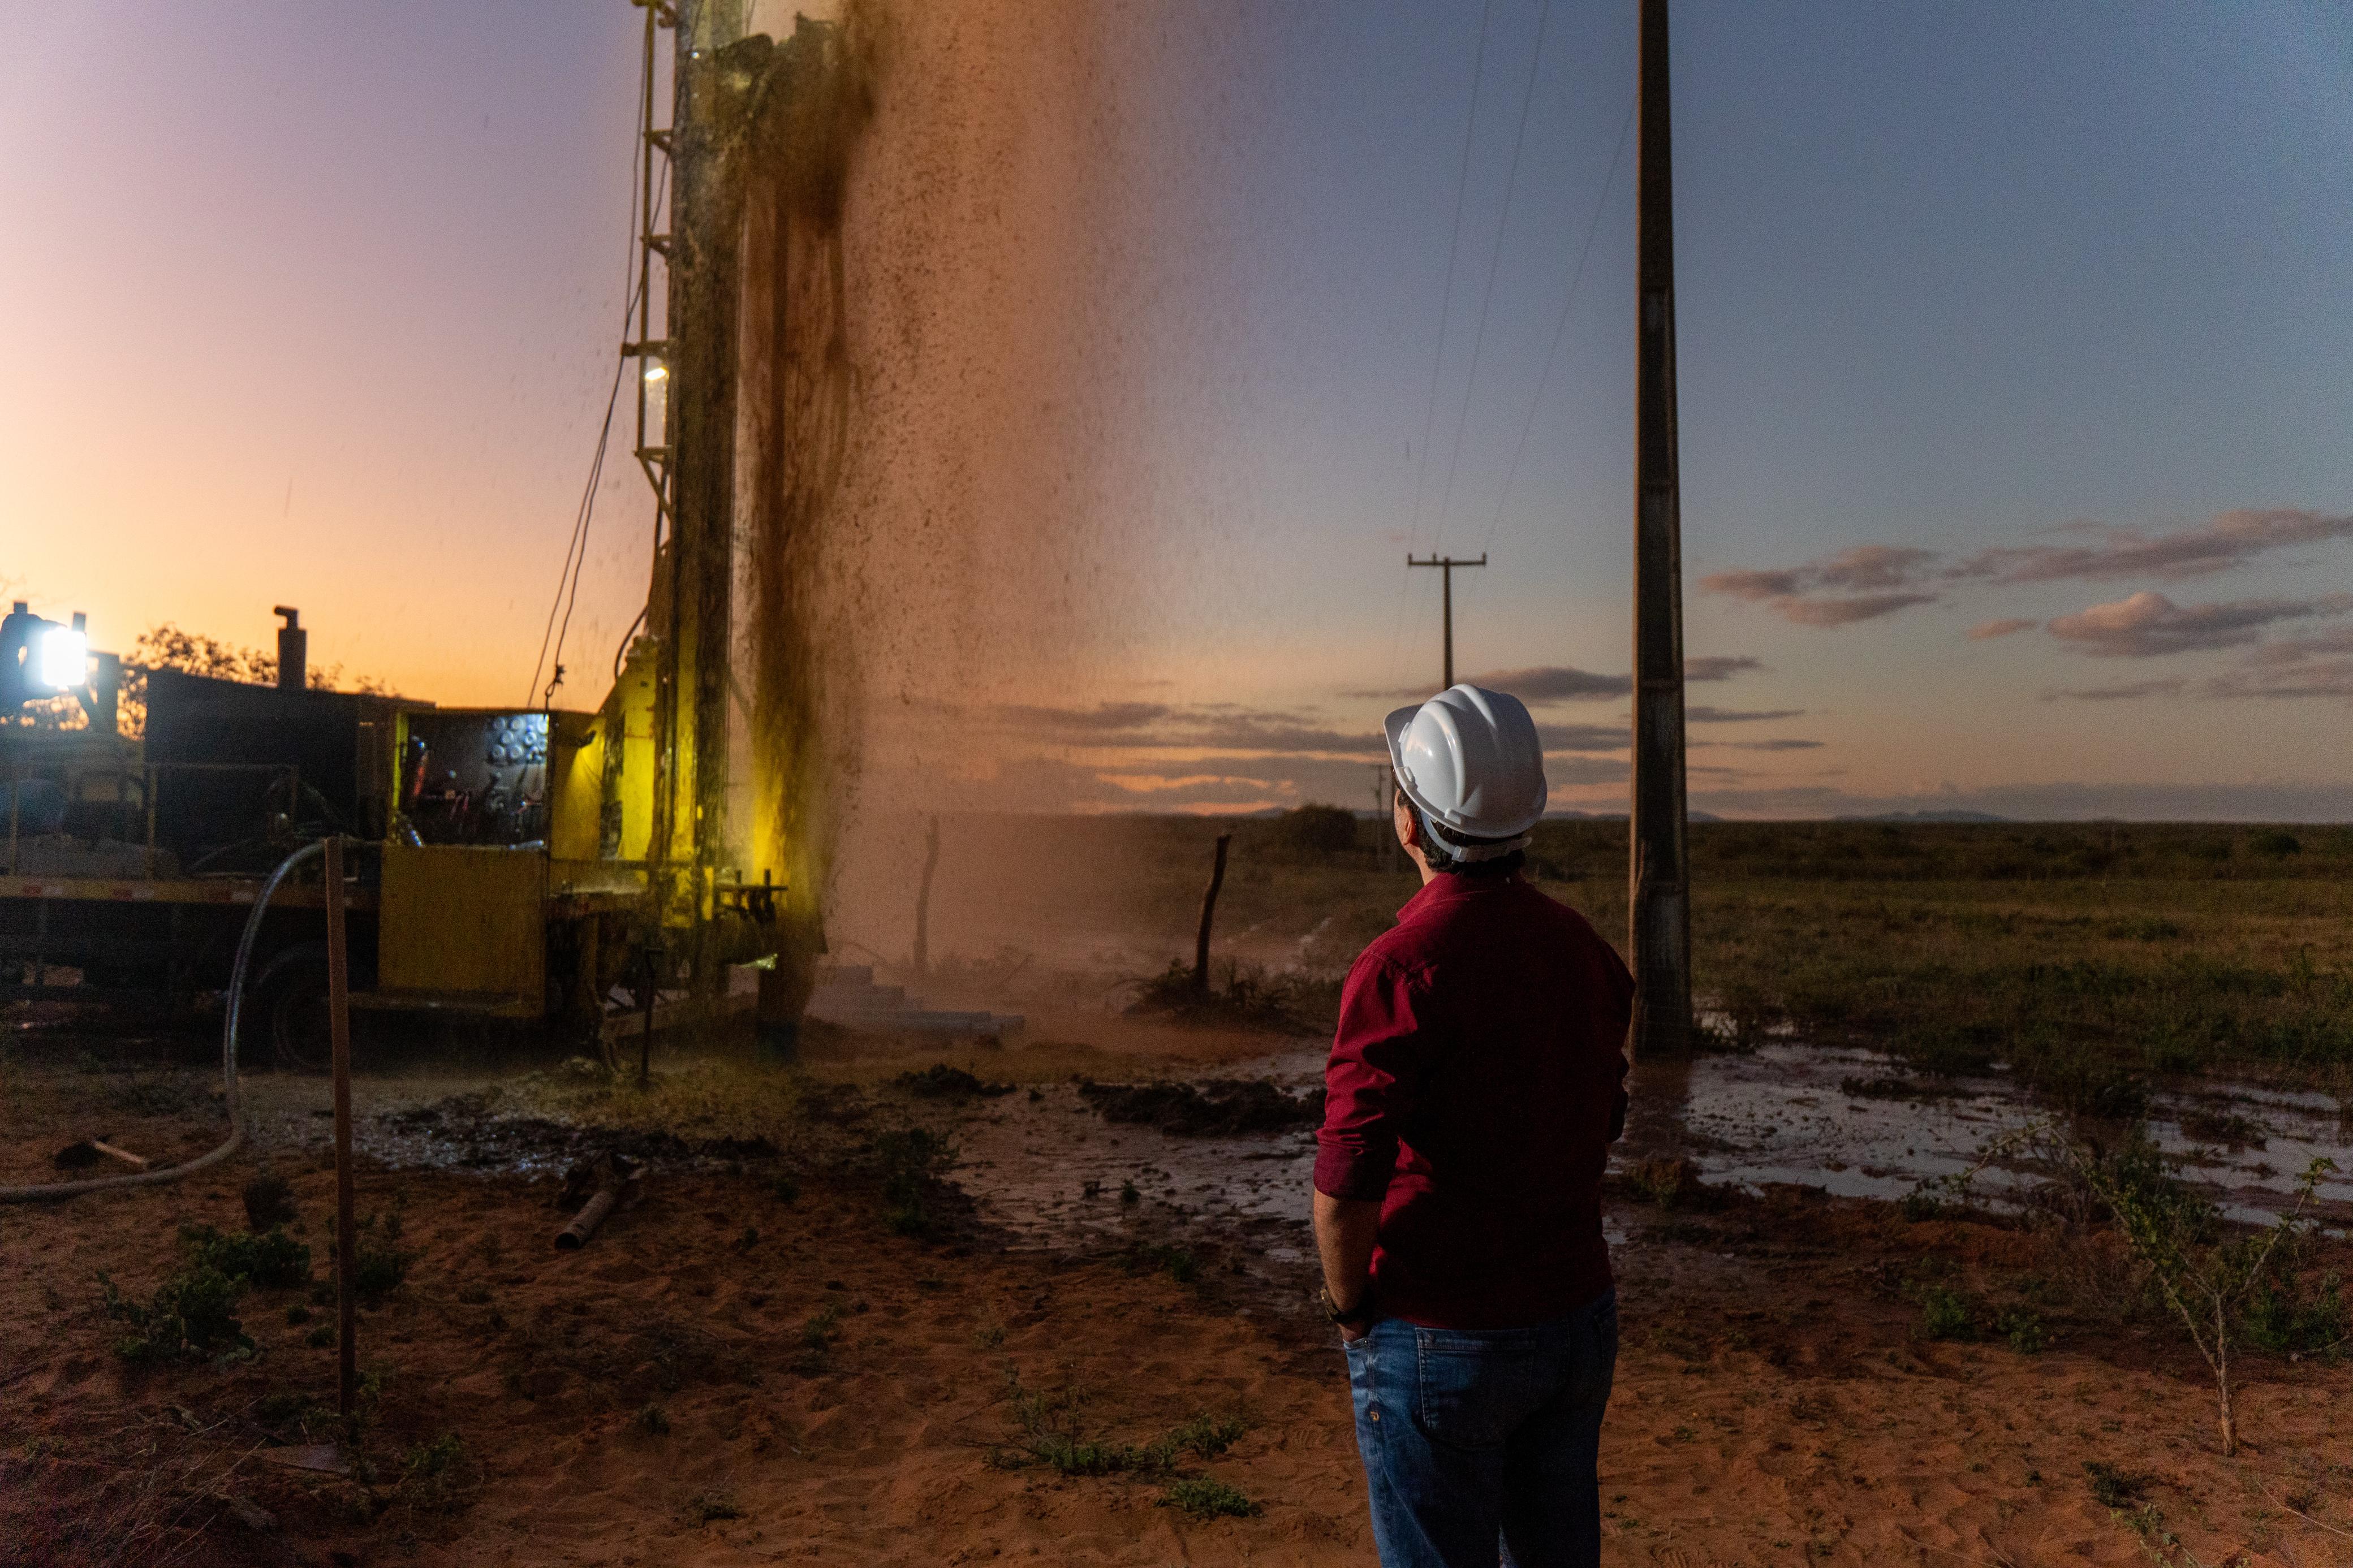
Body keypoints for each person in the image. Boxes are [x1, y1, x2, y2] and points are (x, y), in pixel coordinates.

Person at [1313, 684, 1633, 1568]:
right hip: (1575, 1322)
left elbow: (1345, 1191)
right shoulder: (1585, 950)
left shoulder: (1398, 968)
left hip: (1437, 1331)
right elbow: (1601, 1117)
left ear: (1410, 824)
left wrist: (1350, 1311)